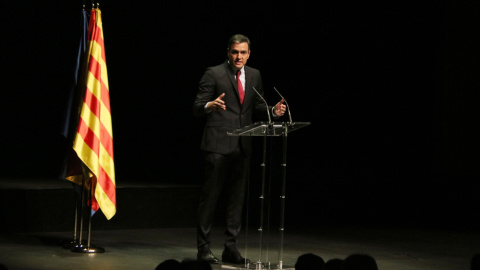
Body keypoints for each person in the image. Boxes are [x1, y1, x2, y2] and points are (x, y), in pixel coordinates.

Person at [193, 34, 286, 265]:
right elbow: (197, 106)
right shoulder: (213, 73)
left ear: (249, 54)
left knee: (237, 201)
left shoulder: (254, 75)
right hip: (218, 144)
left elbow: (257, 107)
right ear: (228, 52)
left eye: (243, 52)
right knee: (210, 198)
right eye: (235, 52)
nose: (239, 56)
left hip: (243, 146)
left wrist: (272, 112)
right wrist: (209, 105)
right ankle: (203, 248)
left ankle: (230, 248)